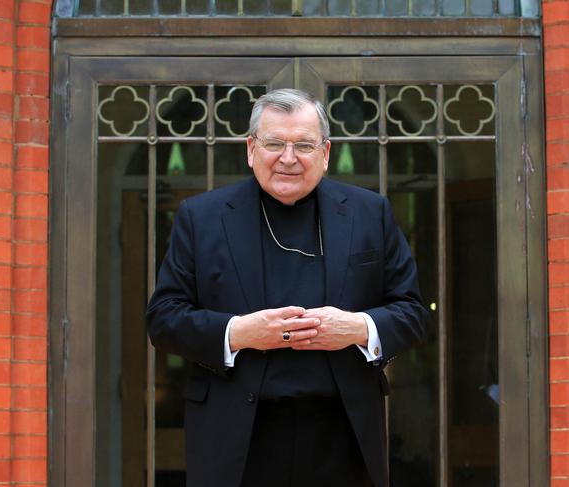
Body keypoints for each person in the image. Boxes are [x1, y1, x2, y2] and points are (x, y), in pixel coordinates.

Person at [146, 88, 428, 487]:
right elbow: (163, 319)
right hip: (238, 435)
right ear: (250, 148)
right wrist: (239, 334)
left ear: (326, 153)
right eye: (274, 143)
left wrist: (359, 328)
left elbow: (413, 312)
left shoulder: (369, 213)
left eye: (304, 145)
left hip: (342, 433)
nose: (288, 158)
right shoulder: (202, 217)